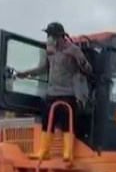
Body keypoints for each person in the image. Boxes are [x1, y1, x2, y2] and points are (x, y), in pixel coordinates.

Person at [16, 22, 92, 160]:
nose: (49, 38)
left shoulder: (73, 50)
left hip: (68, 93)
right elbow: (44, 67)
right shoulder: (49, 50)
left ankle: (68, 153)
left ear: (59, 36)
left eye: (51, 35)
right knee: (47, 122)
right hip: (52, 93)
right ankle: (43, 151)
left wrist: (83, 63)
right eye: (48, 35)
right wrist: (27, 73)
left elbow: (88, 69)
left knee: (66, 123)